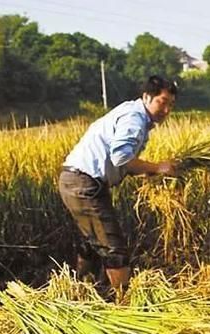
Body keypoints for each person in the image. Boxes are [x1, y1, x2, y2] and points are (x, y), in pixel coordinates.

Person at [59, 75, 178, 294]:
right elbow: (121, 157)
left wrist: (144, 172)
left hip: (79, 182)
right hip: (83, 184)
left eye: (171, 104)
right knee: (114, 249)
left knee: (93, 243)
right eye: (162, 102)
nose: (167, 110)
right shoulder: (134, 118)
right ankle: (124, 306)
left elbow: (123, 163)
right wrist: (158, 167)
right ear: (146, 97)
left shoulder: (132, 114)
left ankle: (81, 292)